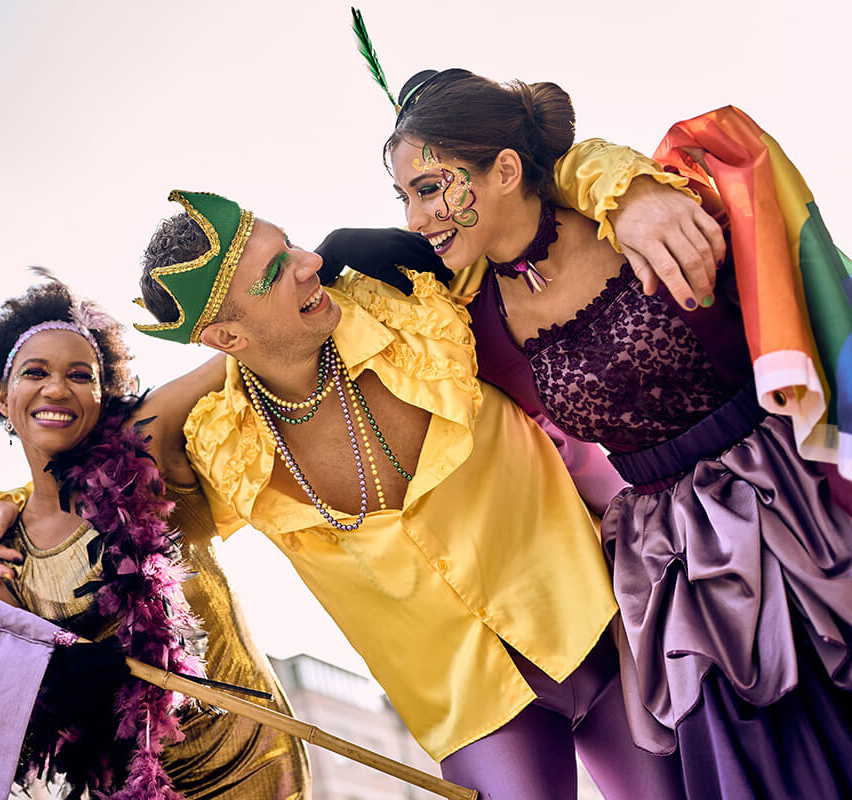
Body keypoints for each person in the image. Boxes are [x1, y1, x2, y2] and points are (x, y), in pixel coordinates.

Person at [128, 188, 693, 800]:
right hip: (474, 715)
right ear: (224, 336)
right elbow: (122, 450)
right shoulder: (225, 444)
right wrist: (244, 360)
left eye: (292, 244)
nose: (310, 262)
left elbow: (523, 197)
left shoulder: (410, 302)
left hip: (604, 630)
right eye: (273, 272)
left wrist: (632, 193)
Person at [383, 68, 852, 798]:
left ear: (505, 170)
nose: (416, 218)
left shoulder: (650, 204)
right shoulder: (469, 324)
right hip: (678, 570)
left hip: (799, 502)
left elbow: (762, 213)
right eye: (404, 196)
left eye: (431, 187)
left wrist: (623, 186)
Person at [0, 274, 311, 799]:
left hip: (253, 761)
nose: (57, 388)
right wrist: (60, 685)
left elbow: (242, 351)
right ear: (3, 395)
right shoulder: (3, 547)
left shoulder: (146, 447)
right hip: (128, 788)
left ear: (104, 394)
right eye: (35, 372)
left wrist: (319, 268)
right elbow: (19, 703)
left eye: (80, 375)